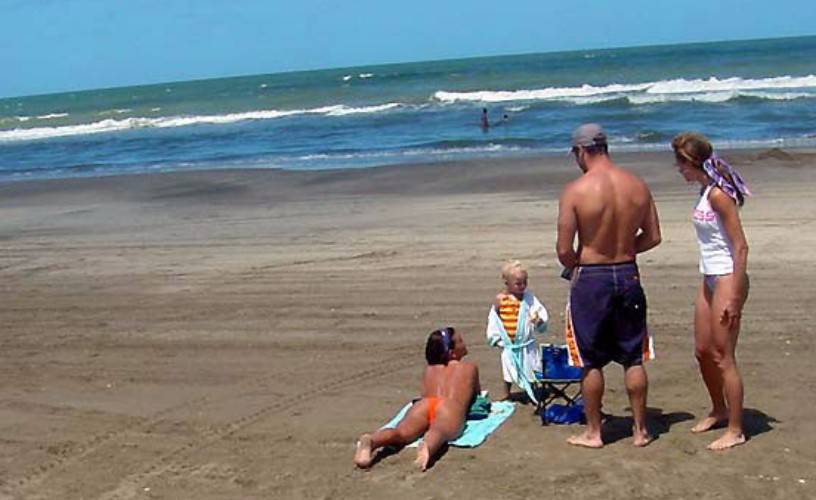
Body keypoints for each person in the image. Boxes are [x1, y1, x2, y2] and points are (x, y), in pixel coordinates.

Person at [556, 123, 662, 448]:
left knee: (590, 359)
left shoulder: (576, 190)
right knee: (633, 356)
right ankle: (641, 431)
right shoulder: (637, 185)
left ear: (580, 151)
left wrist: (579, 262)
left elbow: (563, 250)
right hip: (628, 271)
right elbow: (654, 236)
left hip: (592, 276)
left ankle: (594, 432)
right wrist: (626, 251)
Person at [671, 132, 751, 450]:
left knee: (723, 356)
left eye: (679, 162)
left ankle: (736, 428)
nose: (678, 169)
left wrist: (733, 295)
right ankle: (718, 409)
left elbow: (741, 246)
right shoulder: (705, 191)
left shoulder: (719, 195)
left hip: (728, 278)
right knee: (702, 351)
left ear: (692, 162)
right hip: (708, 276)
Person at [353, 327, 480, 471]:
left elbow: (425, 393)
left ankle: (373, 440)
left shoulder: (429, 369)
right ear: (452, 352)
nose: (464, 343)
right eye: (460, 341)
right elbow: (475, 396)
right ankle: (428, 445)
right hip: (449, 406)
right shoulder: (469, 368)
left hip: (425, 404)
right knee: (439, 431)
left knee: (401, 432)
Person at [486, 260, 548, 401]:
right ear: (507, 283)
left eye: (525, 282)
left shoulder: (529, 298)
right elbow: (494, 319)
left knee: (532, 368)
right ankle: (506, 392)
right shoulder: (501, 300)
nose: (522, 286)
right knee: (508, 370)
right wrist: (495, 338)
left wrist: (538, 321)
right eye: (518, 284)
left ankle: (533, 390)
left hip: (527, 344)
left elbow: (539, 312)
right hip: (510, 345)